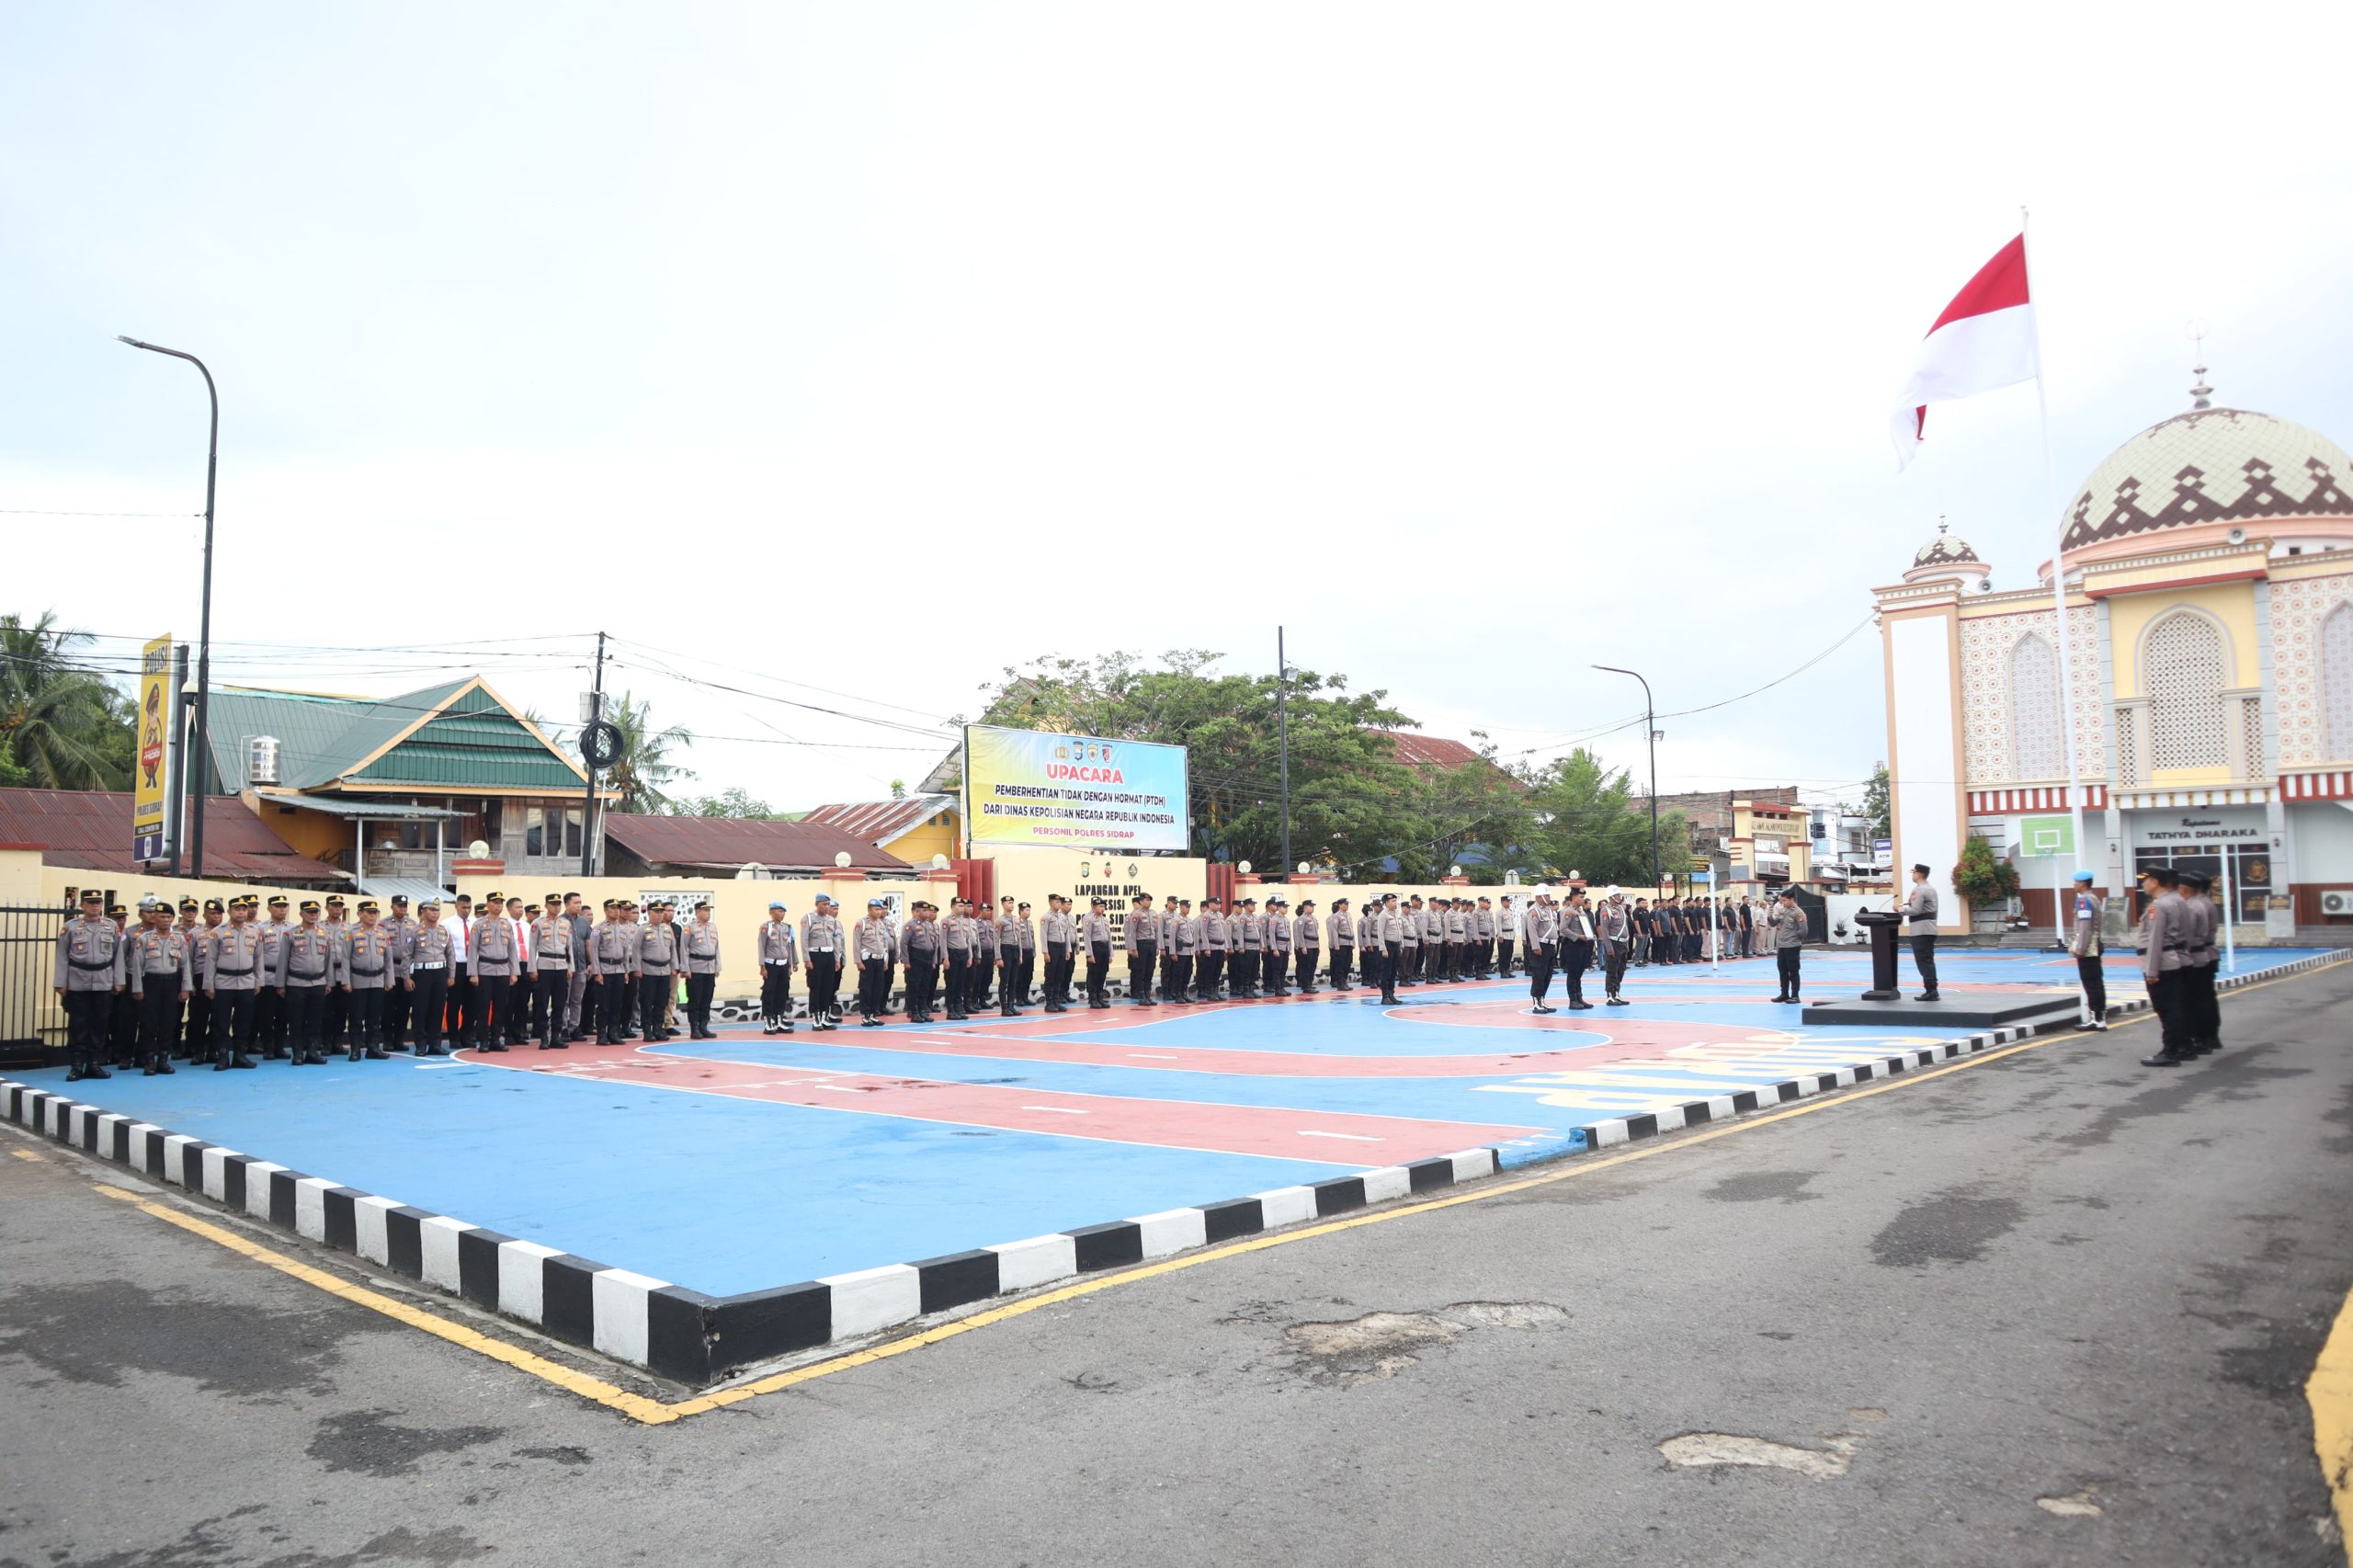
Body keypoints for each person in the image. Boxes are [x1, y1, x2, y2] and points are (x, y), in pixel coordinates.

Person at [53, 889, 122, 1082]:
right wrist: (60, 982)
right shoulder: (71, 927)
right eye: (90, 903)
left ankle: (94, 1064)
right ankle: (76, 1066)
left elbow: (118, 955)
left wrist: (119, 981)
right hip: (78, 981)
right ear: (82, 905)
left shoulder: (110, 926)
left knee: (100, 1024)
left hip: (103, 981)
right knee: (78, 1024)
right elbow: (61, 955)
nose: (94, 906)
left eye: (97, 903)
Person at [125, 898, 194, 1076]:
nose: (165, 920)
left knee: (168, 1022)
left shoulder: (178, 939)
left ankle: (163, 1060)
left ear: (173, 919)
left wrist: (185, 987)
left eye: (168, 917)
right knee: (149, 1023)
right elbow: (137, 966)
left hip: (171, 983)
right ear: (155, 918)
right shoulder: (144, 939)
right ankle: (149, 1061)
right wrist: (137, 989)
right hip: (151, 983)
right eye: (162, 916)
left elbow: (185, 965)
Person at [274, 900, 343, 1066]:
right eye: (309, 912)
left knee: (315, 1021)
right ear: (301, 914)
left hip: (318, 983)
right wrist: (281, 984)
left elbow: (328, 961)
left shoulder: (324, 934)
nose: (313, 915)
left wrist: (329, 982)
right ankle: (297, 1053)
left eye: (315, 912)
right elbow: (283, 961)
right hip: (296, 983)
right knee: (296, 1021)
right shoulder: (290, 934)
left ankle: (312, 1052)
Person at [2136, 866, 2192, 1066]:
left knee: (2167, 1009)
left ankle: (2170, 1051)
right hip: (2174, 958)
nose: (2143, 884)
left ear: (2155, 882)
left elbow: (2156, 939)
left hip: (2161, 963)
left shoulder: (2159, 905)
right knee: (2176, 1006)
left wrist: (2152, 971)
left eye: (2145, 880)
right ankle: (2183, 1046)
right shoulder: (2178, 901)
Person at [205, 895, 264, 1070]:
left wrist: (258, 981)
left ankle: (240, 1055)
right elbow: (210, 960)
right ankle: (223, 1056)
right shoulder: (218, 932)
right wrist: (209, 984)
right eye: (237, 909)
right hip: (224, 982)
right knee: (221, 1022)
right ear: (230, 911)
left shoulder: (254, 932)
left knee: (243, 1021)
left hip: (246, 982)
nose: (241, 912)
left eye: (244, 909)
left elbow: (258, 958)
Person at [338, 901, 396, 1061]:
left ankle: (373, 1048)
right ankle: (355, 1049)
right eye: (369, 912)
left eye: (374, 913)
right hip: (358, 981)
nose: (372, 916)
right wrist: (346, 981)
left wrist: (389, 980)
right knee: (356, 1017)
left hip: (378, 980)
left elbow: (388, 959)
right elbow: (345, 958)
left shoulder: (383, 933)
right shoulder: (351, 932)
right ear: (360, 914)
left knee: (375, 1017)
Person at [399, 899, 458, 1055]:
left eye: (437, 910)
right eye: (432, 910)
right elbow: (407, 955)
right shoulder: (414, 931)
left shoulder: (444, 931)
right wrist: (406, 977)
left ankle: (435, 1044)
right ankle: (420, 1045)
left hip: (440, 973)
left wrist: (451, 974)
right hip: (422, 973)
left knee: (437, 1009)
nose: (435, 913)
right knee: (420, 1010)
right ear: (423, 912)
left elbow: (450, 954)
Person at [2177, 869, 2222, 1058]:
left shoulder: (2195, 906)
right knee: (2206, 998)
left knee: (2197, 1000)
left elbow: (2187, 935)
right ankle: (2210, 1036)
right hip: (2207, 953)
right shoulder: (2206, 902)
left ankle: (2202, 1038)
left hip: (2197, 955)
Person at [470, 892, 518, 1051]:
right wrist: (473, 973)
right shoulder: (479, 925)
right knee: (483, 1007)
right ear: (488, 904)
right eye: (495, 902)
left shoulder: (506, 925)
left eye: (500, 903)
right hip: (485, 969)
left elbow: (512, 949)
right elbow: (473, 950)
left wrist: (514, 972)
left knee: (500, 1006)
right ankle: (483, 1040)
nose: (499, 905)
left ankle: (495, 1039)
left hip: (503, 970)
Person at [527, 896, 577, 1049]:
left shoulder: (565, 923)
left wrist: (571, 967)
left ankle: (556, 1036)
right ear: (546, 906)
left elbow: (569, 947)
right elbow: (532, 947)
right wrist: (532, 969)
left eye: (558, 904)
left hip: (561, 966)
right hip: (544, 966)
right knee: (541, 1003)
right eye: (553, 904)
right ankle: (543, 1036)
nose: (556, 907)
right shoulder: (538, 924)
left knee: (559, 1003)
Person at [586, 900, 638, 1046]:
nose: (616, 911)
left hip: (619, 970)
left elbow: (625, 952)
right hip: (605, 970)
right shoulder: (598, 929)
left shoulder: (623, 930)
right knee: (603, 1005)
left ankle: (613, 1032)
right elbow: (594, 952)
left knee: (616, 1004)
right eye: (613, 908)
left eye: (617, 908)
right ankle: (602, 1034)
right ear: (605, 910)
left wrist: (626, 971)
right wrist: (597, 972)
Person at [2066, 869, 2109, 1031]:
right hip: (2095, 944)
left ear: (2083, 883)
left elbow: (2084, 927)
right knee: (2097, 982)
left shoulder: (2084, 900)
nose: (2074, 885)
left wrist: (2080, 949)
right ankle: (2099, 1018)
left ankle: (2096, 1019)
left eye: (2076, 882)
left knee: (2090, 983)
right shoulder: (2094, 898)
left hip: (2088, 947)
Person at [254, 894, 294, 1059]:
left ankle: (280, 1047)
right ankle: (268, 1048)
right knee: (266, 1015)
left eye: (284, 906)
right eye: (278, 906)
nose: (282, 909)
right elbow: (257, 955)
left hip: (286, 978)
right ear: (269, 908)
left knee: (284, 1015)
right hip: (268, 977)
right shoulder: (261, 928)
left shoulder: (293, 928)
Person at [637, 903, 681, 1043]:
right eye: (656, 912)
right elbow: (637, 950)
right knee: (647, 1001)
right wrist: (637, 969)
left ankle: (658, 1028)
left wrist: (674, 967)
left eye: (661, 912)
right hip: (648, 970)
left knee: (661, 1002)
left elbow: (673, 949)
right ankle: (647, 1030)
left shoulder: (667, 929)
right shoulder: (642, 930)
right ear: (649, 913)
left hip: (664, 971)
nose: (659, 914)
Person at [802, 895, 847, 1029]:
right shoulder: (809, 918)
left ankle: (823, 1017)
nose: (827, 907)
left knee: (827, 987)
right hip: (815, 955)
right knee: (816, 987)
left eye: (828, 904)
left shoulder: (831, 920)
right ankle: (815, 1019)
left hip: (829, 956)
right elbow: (804, 940)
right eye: (824, 904)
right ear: (817, 904)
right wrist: (806, 959)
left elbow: (836, 940)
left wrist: (837, 959)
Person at [756, 900, 798, 1034]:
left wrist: (792, 964)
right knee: (769, 993)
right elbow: (761, 947)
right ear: (771, 912)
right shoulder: (766, 927)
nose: (782, 914)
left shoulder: (787, 928)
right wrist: (762, 966)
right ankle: (768, 1022)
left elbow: (790, 946)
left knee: (782, 993)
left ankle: (779, 1020)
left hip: (783, 965)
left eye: (784, 911)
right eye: (780, 911)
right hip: (770, 965)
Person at [899, 901, 943, 1023]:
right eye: (924, 910)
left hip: (928, 957)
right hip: (916, 957)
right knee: (915, 986)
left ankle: (923, 1010)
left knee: (925, 985)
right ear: (917, 912)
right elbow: (904, 943)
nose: (927, 912)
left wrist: (934, 960)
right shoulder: (910, 925)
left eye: (928, 910)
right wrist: (906, 961)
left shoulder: (929, 925)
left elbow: (934, 944)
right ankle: (914, 1012)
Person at [382, 894, 417, 1049]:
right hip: (390, 970)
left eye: (404, 906)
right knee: (388, 1008)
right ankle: (387, 1040)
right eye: (399, 906)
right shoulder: (383, 925)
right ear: (392, 907)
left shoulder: (413, 925)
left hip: (407, 971)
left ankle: (399, 1039)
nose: (402, 909)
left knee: (404, 1008)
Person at [1901, 864, 1940, 1001]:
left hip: (1920, 930)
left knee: (1923, 961)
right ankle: (1932, 989)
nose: (1913, 875)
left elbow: (1916, 910)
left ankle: (1931, 990)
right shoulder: (1931, 889)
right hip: (1929, 929)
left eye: (1914, 873)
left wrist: (1901, 910)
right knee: (1928, 960)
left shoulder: (1919, 890)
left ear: (1919, 874)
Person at [855, 898, 896, 1027]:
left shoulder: (881, 924)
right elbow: (856, 943)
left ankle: (873, 1014)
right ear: (869, 910)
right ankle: (866, 1016)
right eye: (876, 909)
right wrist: (858, 961)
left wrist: (885, 961)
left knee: (878, 988)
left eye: (880, 909)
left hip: (880, 959)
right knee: (866, 988)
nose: (879, 912)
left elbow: (885, 943)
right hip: (867, 960)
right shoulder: (861, 923)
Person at [1524, 888, 1560, 1013]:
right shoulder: (1534, 910)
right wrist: (1535, 946)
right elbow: (1532, 929)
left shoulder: (1548, 910)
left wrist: (1555, 943)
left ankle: (1542, 1000)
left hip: (1550, 945)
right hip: (1540, 945)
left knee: (1547, 974)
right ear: (1539, 896)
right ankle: (1536, 1002)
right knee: (1538, 974)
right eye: (1547, 895)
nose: (1549, 897)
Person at [1768, 888, 1807, 1003]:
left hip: (1792, 945)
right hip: (1782, 945)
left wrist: (1795, 939)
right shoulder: (1783, 911)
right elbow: (1774, 923)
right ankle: (1784, 994)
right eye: (1781, 901)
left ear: (1792, 900)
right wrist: (1770, 914)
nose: (1782, 903)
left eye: (1784, 900)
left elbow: (1804, 931)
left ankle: (1795, 996)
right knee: (1782, 971)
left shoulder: (1798, 912)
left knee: (1793, 971)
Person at [1558, 890, 1595, 1009]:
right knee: (1573, 973)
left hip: (1582, 943)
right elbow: (1563, 929)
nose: (1583, 899)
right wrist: (1577, 936)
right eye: (1581, 897)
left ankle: (1579, 997)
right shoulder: (1569, 911)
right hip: (1573, 944)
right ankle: (1573, 1000)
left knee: (1579, 972)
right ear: (1574, 897)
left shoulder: (1581, 911)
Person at [1597, 887, 1631, 1005]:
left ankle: (1616, 992)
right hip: (1613, 942)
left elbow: (1624, 926)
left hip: (1623, 942)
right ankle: (1610, 995)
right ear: (1612, 896)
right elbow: (1605, 930)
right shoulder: (1606, 910)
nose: (1620, 897)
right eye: (1617, 895)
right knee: (1612, 970)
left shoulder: (1621, 909)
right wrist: (1609, 947)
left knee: (1621, 969)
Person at [1040, 895, 1074, 1013]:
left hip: (1062, 947)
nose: (1059, 904)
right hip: (1052, 947)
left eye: (1060, 902)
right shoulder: (1046, 917)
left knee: (1060, 975)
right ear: (1050, 903)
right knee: (1051, 976)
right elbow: (1043, 935)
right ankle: (1049, 1003)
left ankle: (1056, 1001)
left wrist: (1068, 950)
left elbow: (1067, 934)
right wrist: (1045, 952)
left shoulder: (1062, 917)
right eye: (1056, 902)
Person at [1082, 897, 1113, 1008]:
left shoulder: (1104, 919)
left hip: (1104, 948)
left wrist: (1110, 953)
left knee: (1102, 973)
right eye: (1100, 906)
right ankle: (1093, 998)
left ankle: (1100, 997)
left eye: (1104, 906)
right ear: (1093, 907)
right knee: (1094, 974)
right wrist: (1090, 954)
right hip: (1095, 948)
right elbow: (1087, 937)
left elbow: (1109, 937)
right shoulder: (1089, 919)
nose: (1102, 908)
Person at [1375, 894, 1406, 1006]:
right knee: (1386, 972)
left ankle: (1391, 994)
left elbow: (1400, 931)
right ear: (1387, 903)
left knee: (1393, 972)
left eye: (1395, 901)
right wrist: (1383, 949)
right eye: (1393, 901)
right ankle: (1385, 996)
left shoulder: (1396, 914)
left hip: (1396, 945)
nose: (1395, 903)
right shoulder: (1383, 915)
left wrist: (1401, 944)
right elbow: (1380, 933)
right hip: (1388, 946)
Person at [1195, 896, 1228, 1001]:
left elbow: (1223, 932)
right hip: (1211, 947)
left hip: (1220, 947)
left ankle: (1215, 991)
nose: (1219, 906)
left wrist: (1225, 946)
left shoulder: (1220, 915)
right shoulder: (1206, 916)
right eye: (1216, 904)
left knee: (1218, 970)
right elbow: (1203, 933)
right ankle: (1209, 992)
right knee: (1210, 970)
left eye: (1219, 904)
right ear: (1210, 905)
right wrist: (1206, 948)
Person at [1162, 899, 1191, 1005]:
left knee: (1187, 973)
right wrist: (1173, 952)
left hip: (1189, 951)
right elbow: (1172, 937)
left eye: (1189, 907)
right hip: (1180, 951)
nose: (1188, 909)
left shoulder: (1189, 920)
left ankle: (1184, 993)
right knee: (1178, 974)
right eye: (1186, 907)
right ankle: (1177, 994)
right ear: (1182, 907)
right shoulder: (1176, 920)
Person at [1232, 897, 1262, 999]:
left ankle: (1251, 988)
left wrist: (1261, 946)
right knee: (1246, 969)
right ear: (1246, 906)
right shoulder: (1242, 917)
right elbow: (1240, 933)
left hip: (1256, 947)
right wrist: (1241, 947)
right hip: (1247, 947)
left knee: (1255, 969)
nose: (1254, 906)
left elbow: (1260, 932)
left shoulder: (1255, 917)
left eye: (1254, 904)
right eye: (1251, 905)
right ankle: (1246, 989)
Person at [1261, 896, 1290, 998]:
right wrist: (1272, 948)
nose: (1286, 909)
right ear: (1279, 908)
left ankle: (1281, 987)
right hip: (1276, 946)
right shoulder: (1273, 919)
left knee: (1283, 968)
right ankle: (1275, 987)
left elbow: (1288, 935)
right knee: (1274, 968)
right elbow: (1270, 934)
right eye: (1284, 907)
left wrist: (1289, 948)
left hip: (1285, 947)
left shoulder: (1286, 920)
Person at [1326, 897, 1354, 991]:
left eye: (1347, 904)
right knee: (1340, 964)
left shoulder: (1348, 915)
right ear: (1340, 905)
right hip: (1341, 943)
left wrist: (1353, 942)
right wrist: (1336, 944)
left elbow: (1351, 929)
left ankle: (1344, 981)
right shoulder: (1336, 916)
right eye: (1345, 904)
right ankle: (1340, 983)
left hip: (1349, 942)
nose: (1347, 906)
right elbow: (1334, 931)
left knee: (1348, 963)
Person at [1293, 897, 1321, 994]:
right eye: (1311, 906)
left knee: (1313, 966)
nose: (1312, 908)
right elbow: (1300, 933)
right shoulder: (1302, 919)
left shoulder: (1313, 918)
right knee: (1306, 966)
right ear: (1305, 907)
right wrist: (1303, 946)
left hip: (1314, 945)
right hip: (1307, 945)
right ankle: (1305, 985)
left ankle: (1309, 983)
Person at [1015, 903, 1038, 1006]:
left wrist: (1034, 952)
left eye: (1029, 910)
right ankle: (1019, 998)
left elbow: (1032, 938)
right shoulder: (1017, 922)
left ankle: (1025, 997)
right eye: (1026, 910)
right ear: (1021, 911)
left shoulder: (1030, 923)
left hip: (1029, 952)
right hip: (1022, 953)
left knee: (1028, 976)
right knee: (1020, 976)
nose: (1028, 912)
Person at [1494, 895, 1517, 978]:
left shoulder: (1510, 911)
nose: (1509, 903)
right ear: (1503, 902)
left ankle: (1507, 970)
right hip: (1504, 935)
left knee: (1509, 954)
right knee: (1503, 954)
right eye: (1507, 901)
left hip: (1510, 935)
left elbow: (1512, 924)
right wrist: (1500, 936)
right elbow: (1498, 924)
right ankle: (1502, 971)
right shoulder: (1499, 912)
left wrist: (1514, 935)